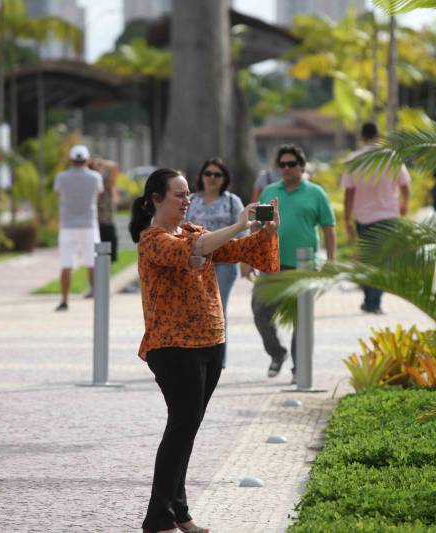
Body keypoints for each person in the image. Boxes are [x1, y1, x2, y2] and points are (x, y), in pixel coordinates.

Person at [129, 168, 279, 533]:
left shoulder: (195, 232)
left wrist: (266, 231)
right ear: (156, 200)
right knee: (181, 426)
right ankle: (158, 518)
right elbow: (193, 250)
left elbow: (238, 251)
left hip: (210, 343)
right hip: (173, 347)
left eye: (187, 195)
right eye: (179, 195)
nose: (186, 201)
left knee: (188, 427)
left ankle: (179, 513)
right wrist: (239, 223)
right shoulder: (153, 239)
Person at [242, 143, 336, 383]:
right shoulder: (270, 192)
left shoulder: (316, 193)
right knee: (260, 312)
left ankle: (299, 370)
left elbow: (328, 227)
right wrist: (248, 258)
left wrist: (332, 262)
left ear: (302, 167)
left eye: (291, 164)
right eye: (282, 165)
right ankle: (277, 353)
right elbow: (257, 226)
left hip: (304, 267)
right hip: (270, 264)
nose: (286, 168)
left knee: (300, 319)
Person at [342, 122, 410, 314]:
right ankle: (374, 302)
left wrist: (347, 219)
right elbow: (406, 187)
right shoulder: (391, 157)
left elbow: (349, 192)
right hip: (389, 216)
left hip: (364, 218)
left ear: (362, 137)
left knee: (366, 260)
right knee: (382, 260)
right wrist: (404, 205)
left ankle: (370, 300)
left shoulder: (353, 159)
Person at [185, 158, 245, 368]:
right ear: (201, 177)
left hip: (224, 263)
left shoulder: (232, 201)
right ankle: (196, 353)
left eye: (217, 174)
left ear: (224, 179)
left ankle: (218, 358)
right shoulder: (191, 200)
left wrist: (245, 261)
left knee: (217, 308)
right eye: (208, 174)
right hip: (196, 262)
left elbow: (242, 231)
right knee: (195, 308)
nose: (212, 178)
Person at [53, 144, 103, 311]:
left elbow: (59, 194)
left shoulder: (61, 177)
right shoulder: (95, 177)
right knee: (92, 262)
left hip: (68, 225)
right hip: (89, 224)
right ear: (87, 160)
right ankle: (96, 296)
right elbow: (97, 195)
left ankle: (64, 300)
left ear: (71, 159)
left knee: (66, 264)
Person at [90, 157, 120, 264]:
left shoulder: (106, 182)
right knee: (94, 262)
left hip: (107, 224)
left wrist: (101, 162)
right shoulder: (89, 182)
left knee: (108, 261)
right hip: (94, 226)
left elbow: (114, 167)